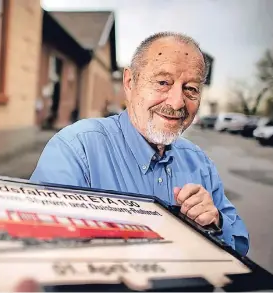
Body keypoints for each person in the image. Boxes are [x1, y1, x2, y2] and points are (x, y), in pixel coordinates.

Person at [30, 32, 249, 256]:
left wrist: (216, 222)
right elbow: (37, 250)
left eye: (190, 88)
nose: (176, 102)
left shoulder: (200, 164)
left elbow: (240, 244)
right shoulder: (77, 150)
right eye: (163, 82)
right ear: (129, 82)